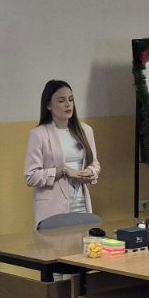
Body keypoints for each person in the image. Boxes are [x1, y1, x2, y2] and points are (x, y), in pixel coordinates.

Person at [25, 80, 100, 227]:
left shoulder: (86, 130)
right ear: (48, 105)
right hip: (52, 209)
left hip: (81, 204)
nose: (68, 104)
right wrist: (63, 171)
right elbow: (31, 176)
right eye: (61, 101)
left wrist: (90, 172)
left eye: (71, 99)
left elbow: (94, 164)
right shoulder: (38, 134)